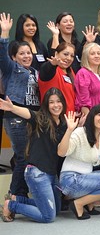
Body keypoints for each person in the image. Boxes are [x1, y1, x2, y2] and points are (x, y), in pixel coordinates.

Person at [0, 88, 67, 223]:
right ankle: (12, 205)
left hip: (51, 174)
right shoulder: (42, 119)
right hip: (37, 173)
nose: (56, 105)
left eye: (58, 101)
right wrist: (12, 108)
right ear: (47, 105)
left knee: (57, 208)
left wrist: (73, 128)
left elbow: (62, 152)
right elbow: (29, 114)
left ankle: (17, 199)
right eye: (51, 102)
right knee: (48, 216)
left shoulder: (64, 123)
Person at [0, 13, 40, 198]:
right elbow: (2, 56)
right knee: (23, 157)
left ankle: (21, 194)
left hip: (31, 117)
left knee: (26, 157)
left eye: (28, 53)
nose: (26, 56)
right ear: (14, 57)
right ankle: (12, 196)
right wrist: (5, 34)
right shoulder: (11, 69)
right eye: (21, 54)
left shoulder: (33, 71)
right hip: (15, 116)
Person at [38, 42, 76, 113]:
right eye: (65, 54)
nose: (69, 58)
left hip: (70, 119)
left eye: (72, 56)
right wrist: (53, 64)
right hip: (52, 119)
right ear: (56, 54)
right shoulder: (50, 70)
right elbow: (46, 70)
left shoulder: (71, 72)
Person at [74, 43, 100, 116]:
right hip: (92, 115)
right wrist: (88, 120)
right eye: (92, 54)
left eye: (99, 53)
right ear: (86, 57)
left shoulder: (99, 75)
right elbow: (84, 101)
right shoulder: (83, 73)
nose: (96, 56)